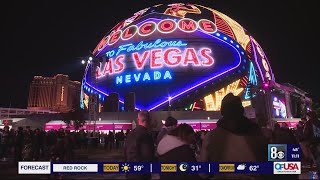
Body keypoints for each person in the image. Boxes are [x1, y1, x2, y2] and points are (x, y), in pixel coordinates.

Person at [200, 93, 270, 179]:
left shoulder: (211, 136)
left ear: (223, 111)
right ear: (241, 110)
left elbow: (203, 171)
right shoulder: (257, 132)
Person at [124, 110, 155, 180]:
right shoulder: (146, 135)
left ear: (138, 120)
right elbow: (148, 156)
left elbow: (126, 153)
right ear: (149, 120)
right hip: (142, 174)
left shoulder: (130, 134)